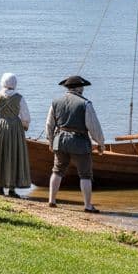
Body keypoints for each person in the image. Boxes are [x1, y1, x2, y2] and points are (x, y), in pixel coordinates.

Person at [45, 75, 106, 213]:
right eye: (82, 86)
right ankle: (87, 205)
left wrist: (50, 141)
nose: (83, 88)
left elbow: (49, 124)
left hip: (60, 141)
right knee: (85, 174)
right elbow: (94, 126)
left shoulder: (55, 102)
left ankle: (51, 201)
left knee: (57, 170)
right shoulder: (85, 104)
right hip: (79, 142)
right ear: (78, 88)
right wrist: (101, 143)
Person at [0, 72, 31, 197]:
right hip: (14, 129)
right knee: (13, 156)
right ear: (15, 84)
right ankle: (12, 189)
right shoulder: (19, 97)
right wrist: (24, 127)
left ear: (2, 83)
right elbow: (26, 117)